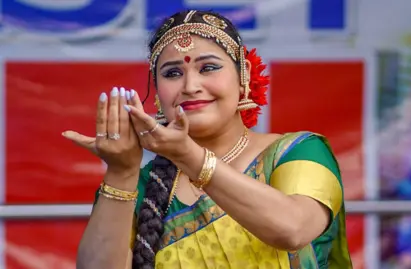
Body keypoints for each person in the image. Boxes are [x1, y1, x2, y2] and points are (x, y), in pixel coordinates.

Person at [65, 10, 352, 269]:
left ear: (244, 76)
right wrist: (120, 172)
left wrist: (190, 156)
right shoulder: (140, 185)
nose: (190, 86)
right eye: (173, 73)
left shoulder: (297, 152)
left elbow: (292, 229)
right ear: (157, 91)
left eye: (208, 68)